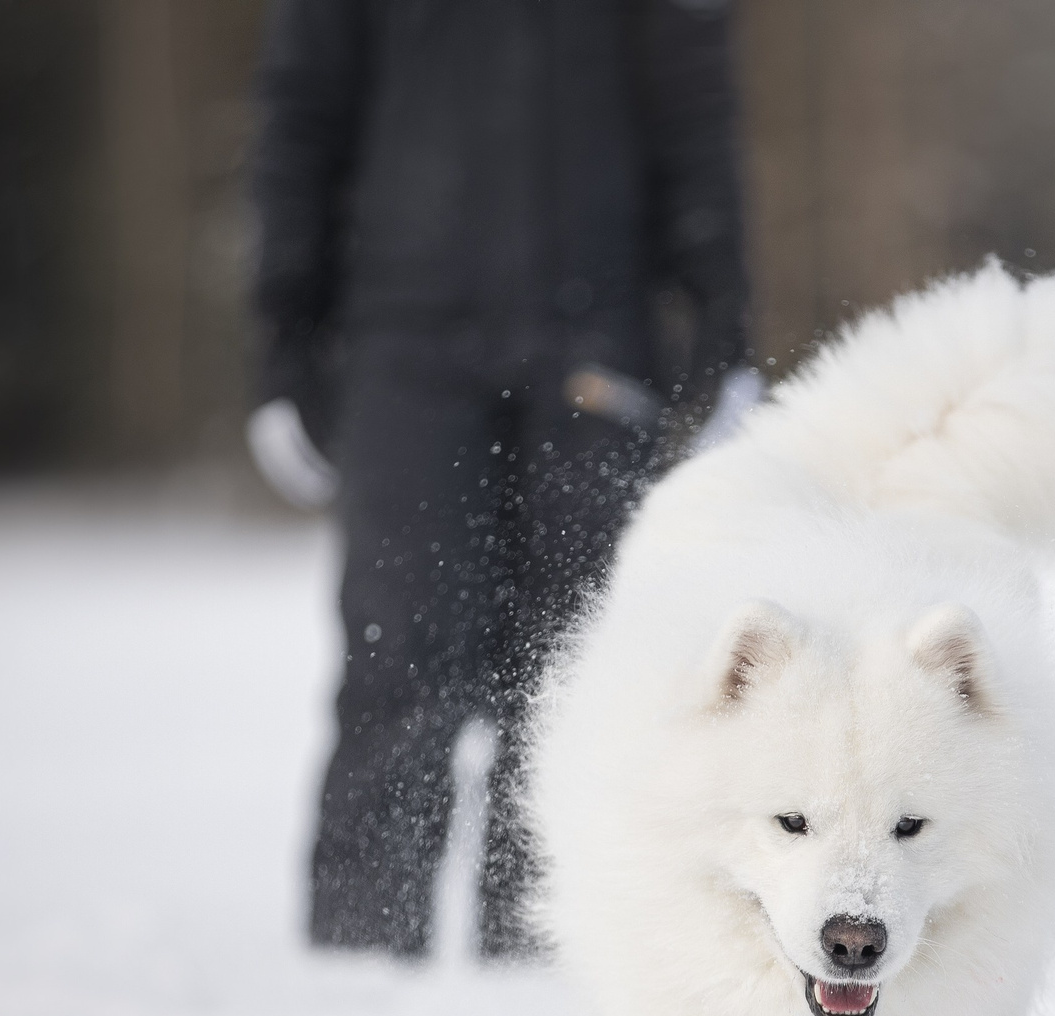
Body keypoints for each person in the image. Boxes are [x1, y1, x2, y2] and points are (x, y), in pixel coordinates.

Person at [247, 0, 757, 960]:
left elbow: (693, 102)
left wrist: (723, 317)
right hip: (404, 339)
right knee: (399, 654)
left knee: (578, 667)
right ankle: (358, 960)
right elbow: (303, 111)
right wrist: (284, 338)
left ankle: (546, 959)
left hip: (597, 337)